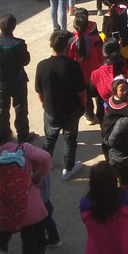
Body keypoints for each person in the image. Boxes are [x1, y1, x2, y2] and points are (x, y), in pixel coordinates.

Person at [0, 124, 52, 254]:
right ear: (10, 136)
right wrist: (39, 175)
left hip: (6, 208)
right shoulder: (24, 149)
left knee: (2, 238)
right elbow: (46, 157)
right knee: (28, 240)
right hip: (28, 205)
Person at [36, 28, 87, 181]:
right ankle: (68, 169)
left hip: (51, 111)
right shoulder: (73, 66)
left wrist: (45, 105)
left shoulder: (42, 66)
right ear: (67, 47)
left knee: (49, 139)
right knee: (70, 140)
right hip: (71, 110)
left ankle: (45, 163)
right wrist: (83, 106)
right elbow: (81, 93)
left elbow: (39, 92)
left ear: (51, 44)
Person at [80, 160, 128, 254]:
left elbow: (84, 220)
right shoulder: (124, 197)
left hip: (99, 251)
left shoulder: (85, 202)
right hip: (122, 247)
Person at [0, 12, 32, 143]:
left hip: (0, 82)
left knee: (1, 110)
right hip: (17, 82)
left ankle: (2, 138)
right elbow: (26, 61)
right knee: (20, 109)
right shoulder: (19, 43)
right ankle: (23, 137)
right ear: (14, 27)